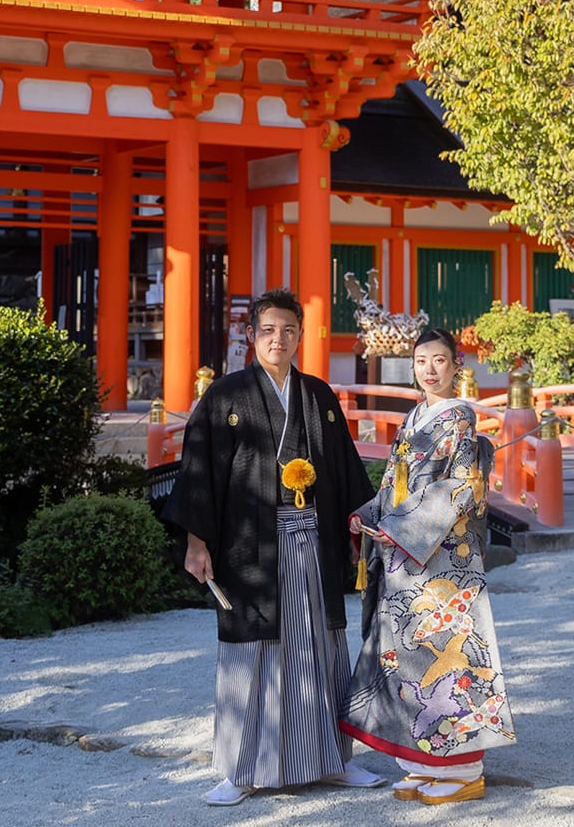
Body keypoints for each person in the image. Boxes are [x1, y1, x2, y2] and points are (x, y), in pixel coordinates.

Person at [162, 287, 387, 806]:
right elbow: (200, 475)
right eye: (268, 330)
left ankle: (332, 760)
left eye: (288, 330)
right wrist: (197, 543)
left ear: (300, 336)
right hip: (252, 546)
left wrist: (357, 525)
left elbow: (345, 474)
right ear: (251, 336)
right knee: (254, 649)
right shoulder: (225, 397)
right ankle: (239, 771)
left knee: (320, 647)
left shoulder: (319, 397)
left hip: (313, 539)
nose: (278, 340)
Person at [340, 327, 515, 804]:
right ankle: (421, 763)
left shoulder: (459, 417)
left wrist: (398, 528)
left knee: (445, 659)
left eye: (440, 360)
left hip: (441, 562)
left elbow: (457, 488)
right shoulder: (416, 415)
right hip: (405, 555)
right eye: (421, 361)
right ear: (412, 366)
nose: (430, 369)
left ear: (457, 366)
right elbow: (395, 483)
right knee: (409, 662)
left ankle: (461, 771)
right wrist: (368, 514)